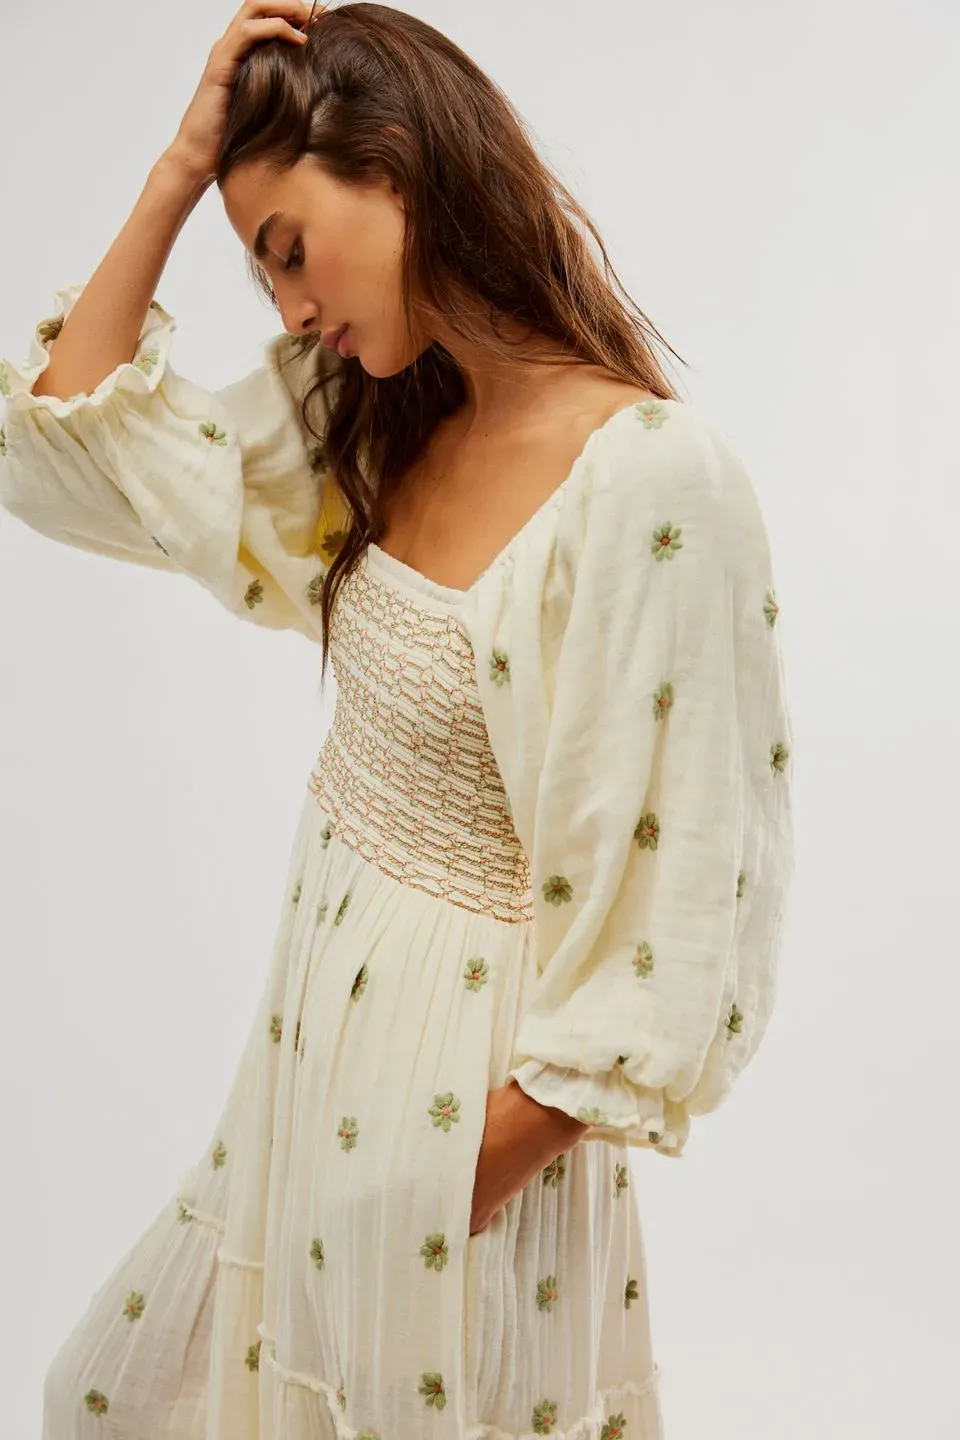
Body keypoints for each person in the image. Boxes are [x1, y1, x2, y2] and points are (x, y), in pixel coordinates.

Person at [0, 3, 796, 1438]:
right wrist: (184, 166)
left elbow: (680, 893)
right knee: (110, 1399)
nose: (289, 311)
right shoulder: (375, 413)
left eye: (290, 251)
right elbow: (65, 450)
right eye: (266, 276)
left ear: (398, 164)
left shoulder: (651, 478)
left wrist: (449, 1177)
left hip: (453, 1126)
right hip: (304, 1070)